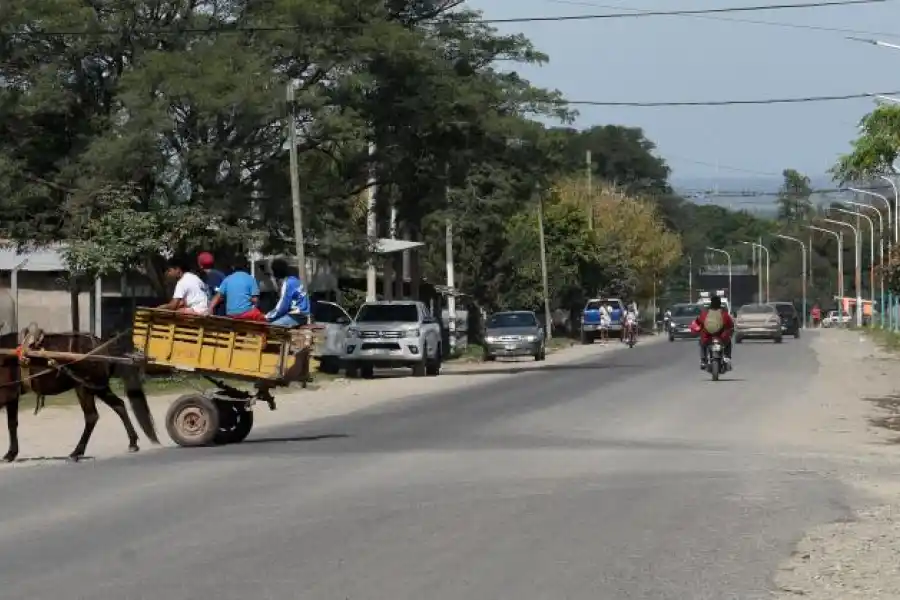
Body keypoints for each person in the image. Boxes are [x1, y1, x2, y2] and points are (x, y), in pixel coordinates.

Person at [693, 295, 734, 369]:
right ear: (719, 303)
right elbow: (730, 325)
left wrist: (697, 329)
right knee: (728, 343)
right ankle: (727, 358)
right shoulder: (724, 314)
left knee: (702, 344)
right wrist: (730, 332)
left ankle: (703, 360)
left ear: (711, 303)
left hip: (708, 337)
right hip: (721, 337)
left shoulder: (704, 314)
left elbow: (697, 323)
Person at [266, 258, 310, 327]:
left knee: (270, 327)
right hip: (302, 314)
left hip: (296, 316)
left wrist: (267, 317)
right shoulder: (294, 280)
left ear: (275, 274)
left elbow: (282, 307)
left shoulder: (288, 283)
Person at [197, 252, 227, 317]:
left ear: (200, 265)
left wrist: (210, 308)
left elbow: (220, 295)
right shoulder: (215, 274)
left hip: (219, 313)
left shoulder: (213, 276)